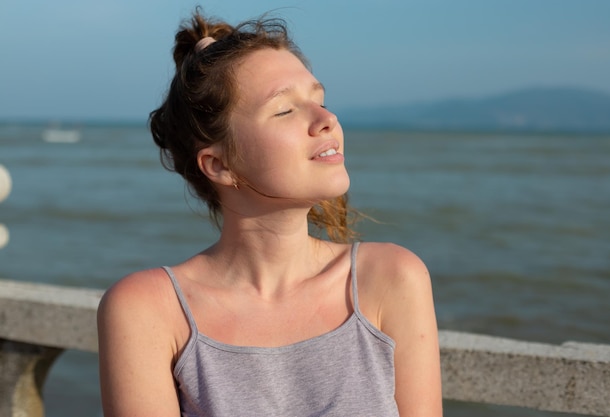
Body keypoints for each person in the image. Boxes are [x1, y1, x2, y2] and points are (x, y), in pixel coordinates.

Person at [97, 9, 442, 417]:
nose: (327, 120)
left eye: (320, 100)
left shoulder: (390, 278)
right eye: (285, 110)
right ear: (220, 165)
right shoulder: (149, 309)